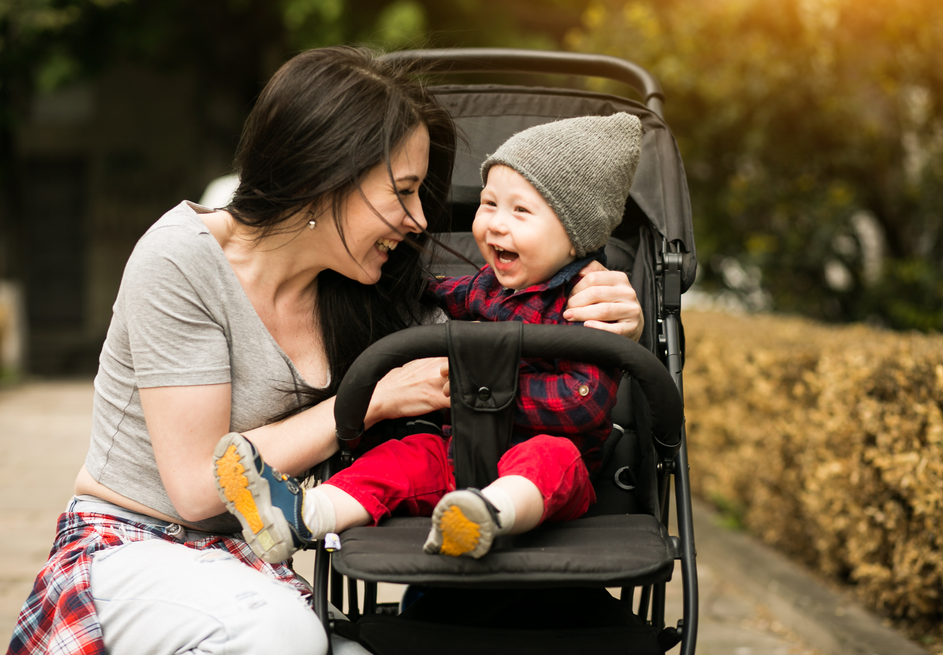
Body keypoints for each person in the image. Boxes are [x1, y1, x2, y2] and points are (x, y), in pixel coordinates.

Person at [8, 46, 645, 655]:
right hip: (131, 542)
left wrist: (611, 318)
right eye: (402, 190)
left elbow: (507, 330)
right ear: (328, 174)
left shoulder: (366, 288)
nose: (420, 218)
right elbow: (198, 492)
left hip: (250, 558)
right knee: (282, 637)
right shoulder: (181, 261)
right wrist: (367, 401)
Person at [214, 111, 643, 563]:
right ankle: (304, 515)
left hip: (547, 465)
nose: (496, 223)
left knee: (550, 459)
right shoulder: (487, 286)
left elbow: (582, 402)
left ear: (577, 236)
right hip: (459, 451)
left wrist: (479, 394)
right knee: (403, 458)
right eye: (488, 204)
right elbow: (436, 291)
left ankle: (487, 515)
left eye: (520, 211)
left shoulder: (589, 305)